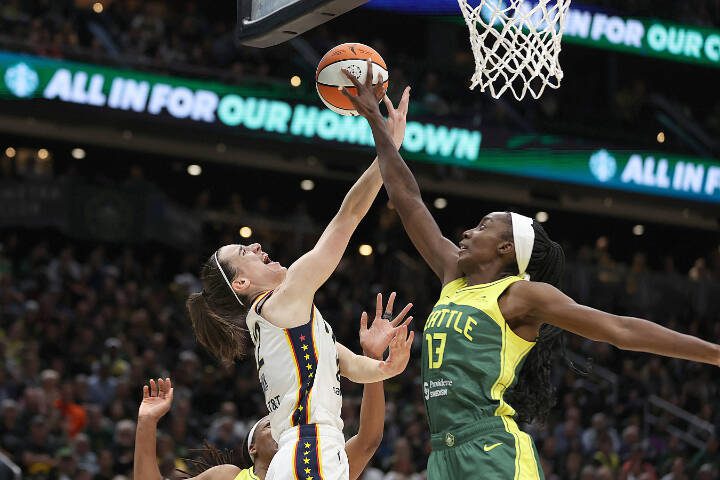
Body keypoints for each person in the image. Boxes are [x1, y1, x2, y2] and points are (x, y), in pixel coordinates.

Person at [342, 61, 720, 479]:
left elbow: (620, 329)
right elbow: (408, 198)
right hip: (442, 454)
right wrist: (378, 124)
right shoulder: (454, 274)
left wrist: (714, 354)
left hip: (490, 449)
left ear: (506, 248)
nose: (467, 232)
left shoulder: (521, 295)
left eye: (483, 227)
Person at [185, 92, 413, 480]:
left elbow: (347, 364)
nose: (257, 245)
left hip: (313, 453)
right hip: (310, 452)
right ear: (241, 282)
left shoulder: (286, 319)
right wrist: (387, 151)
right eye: (245, 250)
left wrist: (386, 367)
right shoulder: (282, 302)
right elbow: (347, 218)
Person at [134, 293, 404, 479]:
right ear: (253, 449)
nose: (278, 427)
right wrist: (146, 422)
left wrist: (373, 360)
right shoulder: (230, 477)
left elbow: (369, 439)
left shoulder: (324, 459)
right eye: (269, 425)